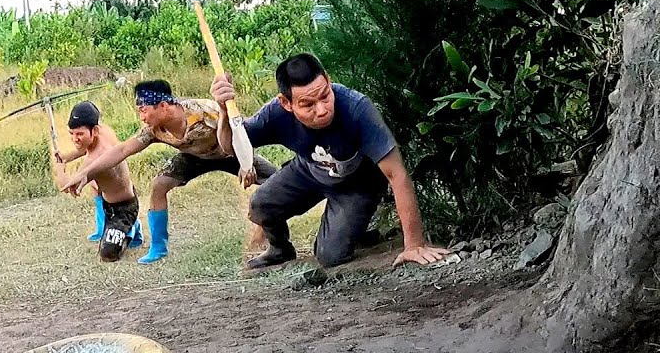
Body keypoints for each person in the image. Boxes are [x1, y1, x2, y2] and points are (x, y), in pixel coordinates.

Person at [211, 52, 452, 269]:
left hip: (356, 184)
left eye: (325, 96)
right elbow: (230, 147)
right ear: (286, 103)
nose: (322, 109)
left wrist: (414, 245)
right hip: (309, 171)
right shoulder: (274, 113)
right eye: (307, 104)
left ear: (327, 80)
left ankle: (358, 226)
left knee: (329, 257)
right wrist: (223, 110)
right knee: (261, 203)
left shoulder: (357, 108)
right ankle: (279, 250)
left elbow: (397, 174)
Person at [60, 79, 277, 264]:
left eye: (144, 111)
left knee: (276, 182)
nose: (142, 117)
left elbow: (240, 132)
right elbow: (123, 149)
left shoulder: (203, 111)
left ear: (163, 106)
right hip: (193, 157)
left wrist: (246, 164)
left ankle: (263, 235)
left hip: (230, 152)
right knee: (159, 185)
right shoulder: (153, 129)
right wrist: (85, 174)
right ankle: (158, 247)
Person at [54, 101, 143, 262]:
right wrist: (68, 156)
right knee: (95, 184)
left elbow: (65, 186)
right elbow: (85, 148)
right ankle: (109, 228)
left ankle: (131, 227)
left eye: (80, 134)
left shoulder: (94, 160)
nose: (75, 139)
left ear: (94, 130)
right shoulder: (104, 131)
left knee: (108, 255)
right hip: (111, 199)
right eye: (71, 133)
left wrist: (59, 164)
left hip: (124, 208)